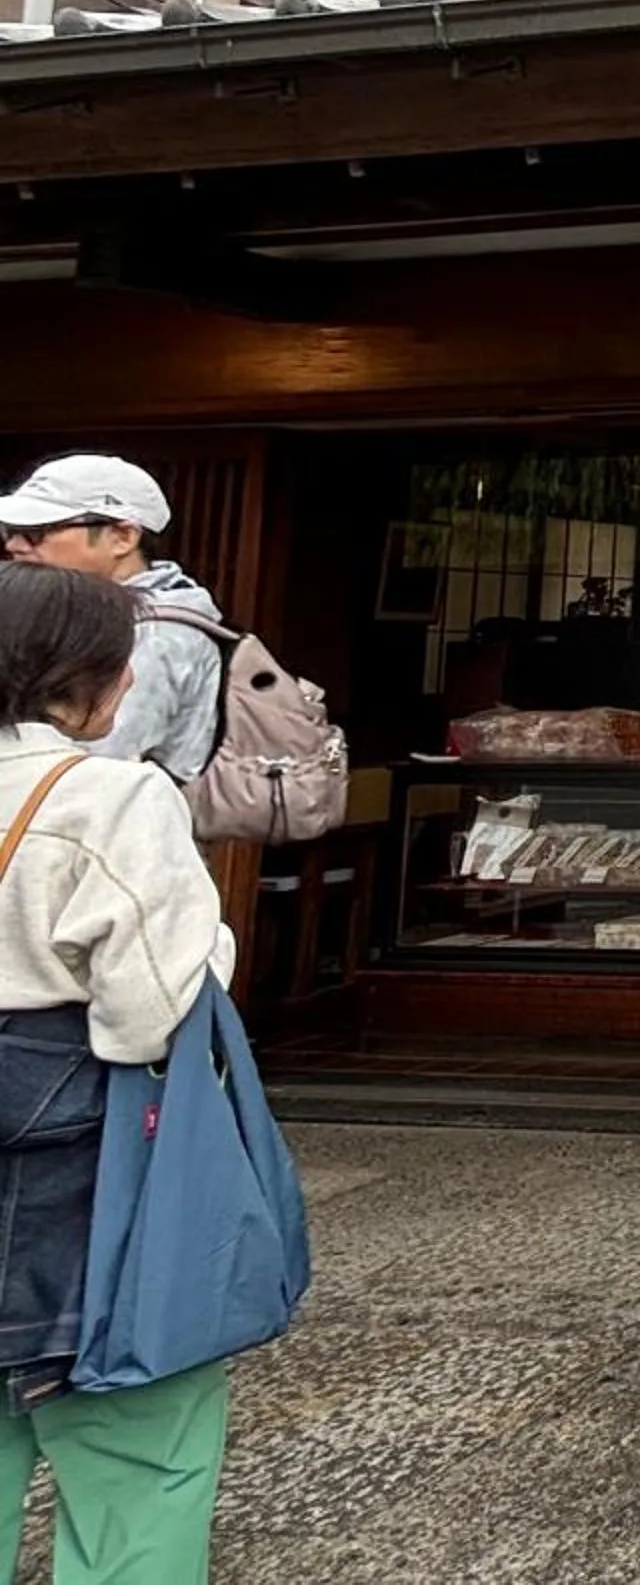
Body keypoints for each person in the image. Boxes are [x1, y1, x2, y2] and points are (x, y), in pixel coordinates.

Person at [0, 561, 237, 1585]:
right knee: (138, 1443)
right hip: (70, 1156)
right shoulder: (106, 795)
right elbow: (154, 1005)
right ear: (84, 674)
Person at [0, 458, 225, 784]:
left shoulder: (159, 631)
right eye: (10, 531)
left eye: (36, 533)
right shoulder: (66, 611)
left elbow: (96, 762)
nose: (13, 546)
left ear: (122, 537)